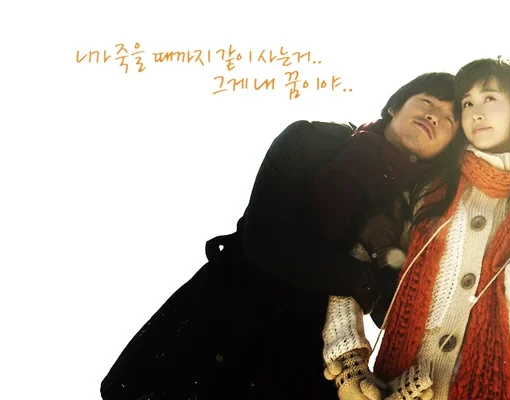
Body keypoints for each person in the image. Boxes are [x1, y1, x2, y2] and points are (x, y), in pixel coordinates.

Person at [99, 72, 465, 400]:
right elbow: (265, 242)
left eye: (449, 118)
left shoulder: (421, 213)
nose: (434, 115)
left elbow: (393, 310)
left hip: (301, 355)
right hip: (224, 317)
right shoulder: (312, 140)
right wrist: (362, 277)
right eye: (427, 101)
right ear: (394, 106)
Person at [320, 58, 510, 400]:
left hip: (508, 384)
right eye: (468, 104)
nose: (476, 112)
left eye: (490, 98)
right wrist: (348, 359)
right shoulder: (429, 188)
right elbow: (358, 260)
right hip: (401, 382)